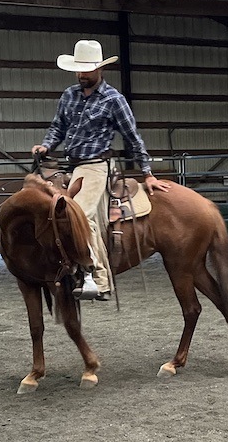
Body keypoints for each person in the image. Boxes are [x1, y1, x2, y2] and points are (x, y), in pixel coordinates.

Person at [32, 39, 170, 300]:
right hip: (70, 164)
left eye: (87, 69)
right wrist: (46, 145)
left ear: (100, 69)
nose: (82, 74)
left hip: (96, 165)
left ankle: (99, 279)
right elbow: (57, 128)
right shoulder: (69, 95)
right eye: (79, 69)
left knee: (80, 214)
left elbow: (132, 137)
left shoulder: (113, 100)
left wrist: (147, 172)